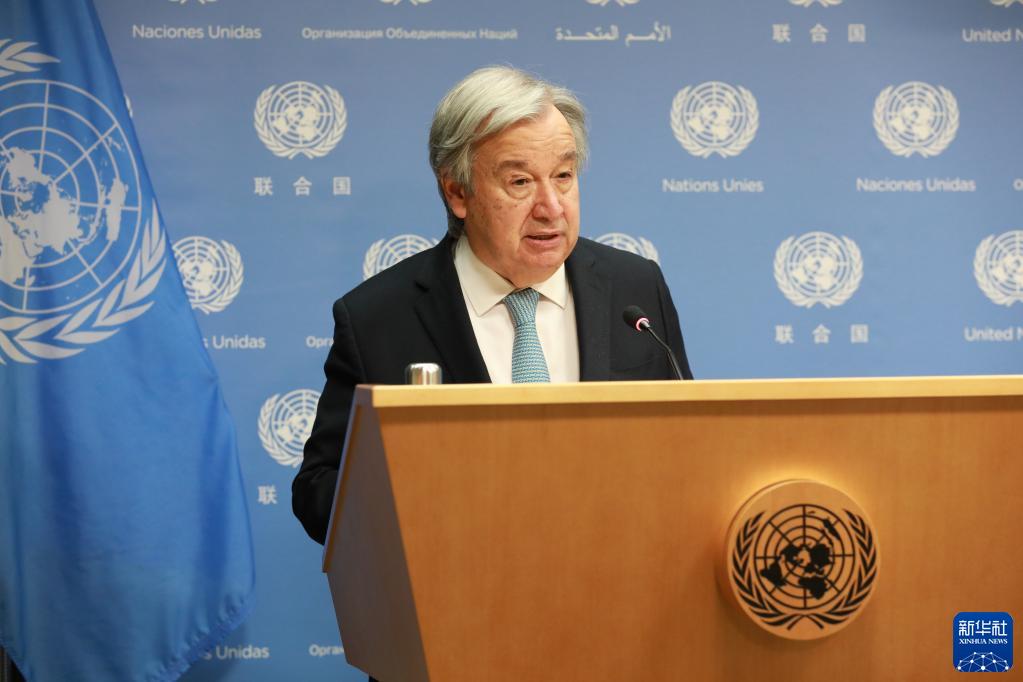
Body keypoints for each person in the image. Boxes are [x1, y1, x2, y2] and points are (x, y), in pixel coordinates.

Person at [293, 65, 693, 546]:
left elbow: (688, 448)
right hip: (461, 578)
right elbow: (319, 492)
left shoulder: (634, 288)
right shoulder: (379, 317)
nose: (551, 207)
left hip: (622, 573)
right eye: (520, 182)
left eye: (563, 176)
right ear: (457, 192)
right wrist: (426, 490)